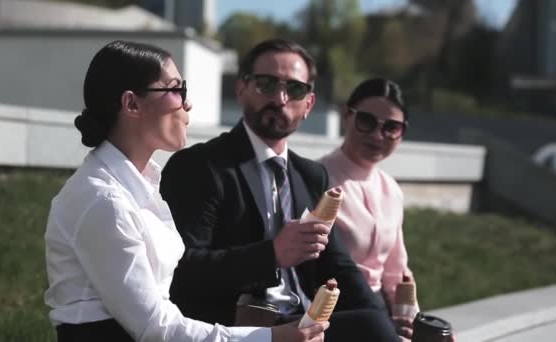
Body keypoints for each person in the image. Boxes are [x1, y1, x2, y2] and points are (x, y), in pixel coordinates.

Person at [43, 40, 328, 342]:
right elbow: (155, 328)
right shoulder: (103, 199)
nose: (187, 103)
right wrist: (269, 338)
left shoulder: (140, 186)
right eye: (176, 90)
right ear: (132, 104)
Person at [160, 39, 400, 342]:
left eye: (295, 89)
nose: (280, 98)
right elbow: (182, 271)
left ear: (309, 104)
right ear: (241, 88)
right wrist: (271, 255)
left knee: (375, 326)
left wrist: (391, 329)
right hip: (241, 328)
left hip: (307, 324)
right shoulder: (200, 166)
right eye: (266, 84)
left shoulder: (312, 176)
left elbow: (340, 268)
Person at [318, 78, 416, 339]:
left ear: (402, 132)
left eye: (391, 127)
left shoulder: (391, 189)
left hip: (378, 312)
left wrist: (411, 322)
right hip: (332, 313)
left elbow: (397, 273)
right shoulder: (317, 179)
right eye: (366, 121)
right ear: (347, 117)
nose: (377, 135)